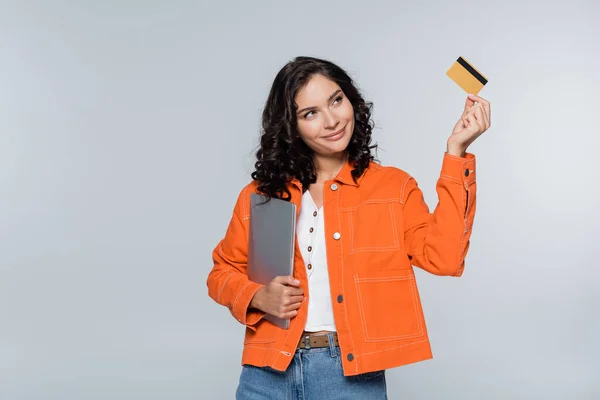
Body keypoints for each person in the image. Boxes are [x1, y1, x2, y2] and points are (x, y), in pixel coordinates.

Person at [206, 56, 491, 399]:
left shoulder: (393, 187)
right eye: (309, 113)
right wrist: (257, 296)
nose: (331, 121)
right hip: (265, 373)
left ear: (351, 100)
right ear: (291, 126)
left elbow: (444, 258)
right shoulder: (262, 195)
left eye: (336, 100)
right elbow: (222, 273)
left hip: (348, 376)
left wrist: (456, 152)